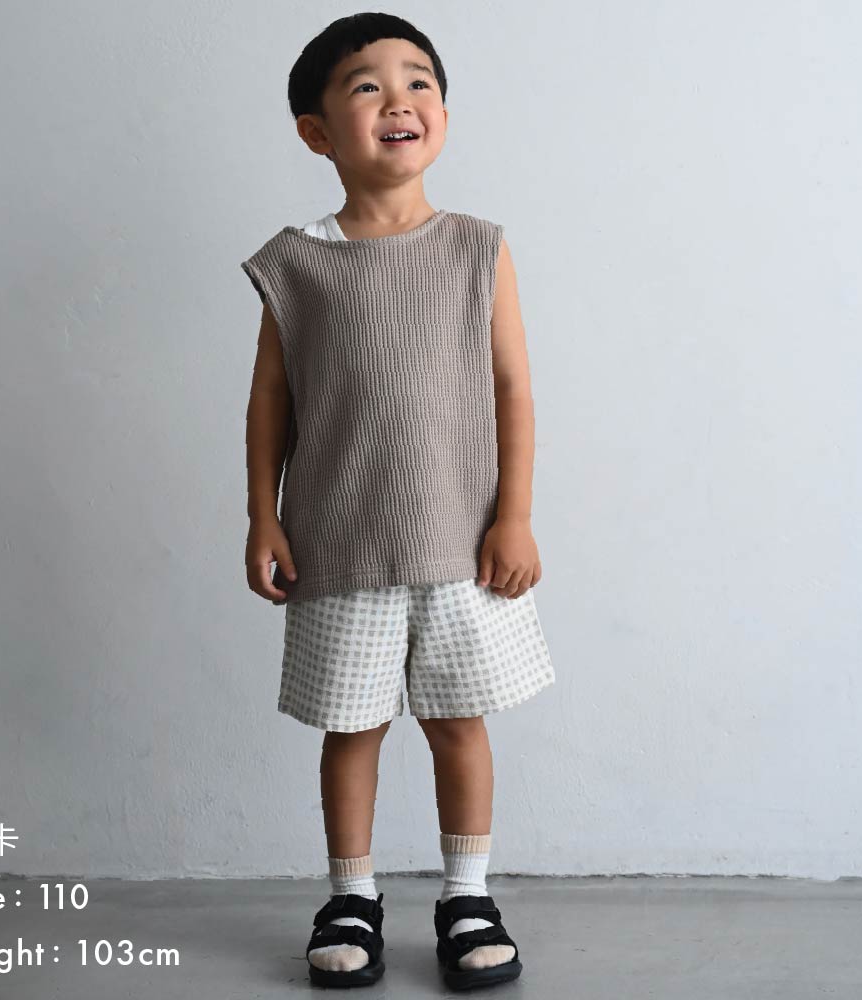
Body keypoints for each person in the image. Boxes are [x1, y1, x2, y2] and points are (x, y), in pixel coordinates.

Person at [241, 13, 555, 991]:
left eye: (418, 82)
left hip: (463, 542)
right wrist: (262, 513)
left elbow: (513, 388)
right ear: (317, 131)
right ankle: (351, 893)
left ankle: (468, 895)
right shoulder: (295, 261)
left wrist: (514, 515)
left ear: (443, 116)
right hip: (338, 543)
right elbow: (270, 401)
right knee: (352, 728)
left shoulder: (477, 248)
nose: (398, 100)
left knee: (460, 722)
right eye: (366, 85)